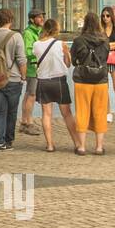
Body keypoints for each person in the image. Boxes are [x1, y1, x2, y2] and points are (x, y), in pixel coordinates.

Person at [32, 19, 82, 154]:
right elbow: (68, 64)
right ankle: (77, 144)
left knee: (46, 114)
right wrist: (67, 54)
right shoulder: (61, 44)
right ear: (56, 29)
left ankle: (49, 145)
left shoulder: (36, 44)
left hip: (42, 82)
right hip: (59, 81)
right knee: (67, 114)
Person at [0, 8, 29, 151]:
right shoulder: (16, 36)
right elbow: (22, 60)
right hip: (13, 79)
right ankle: (8, 141)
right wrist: (24, 77)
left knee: (0, 111)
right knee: (11, 112)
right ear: (10, 20)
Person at [71, 13, 111, 155]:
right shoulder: (105, 40)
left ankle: (81, 147)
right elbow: (105, 58)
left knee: (82, 112)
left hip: (82, 80)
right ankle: (99, 147)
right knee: (100, 112)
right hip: (101, 80)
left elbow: (73, 60)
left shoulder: (78, 40)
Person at [19, 10, 45, 136]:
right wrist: (40, 55)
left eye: (42, 16)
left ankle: (24, 122)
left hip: (36, 68)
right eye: (39, 17)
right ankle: (28, 123)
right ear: (31, 19)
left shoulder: (38, 31)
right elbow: (27, 51)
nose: (42, 19)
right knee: (32, 95)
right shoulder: (28, 33)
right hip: (32, 68)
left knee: (28, 95)